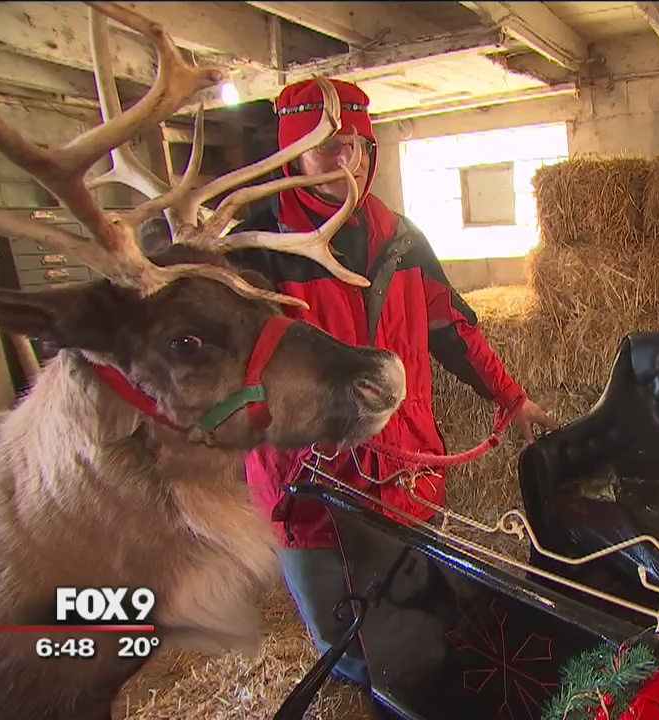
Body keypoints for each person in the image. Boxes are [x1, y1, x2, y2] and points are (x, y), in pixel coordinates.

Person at [226, 78, 557, 688]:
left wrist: (511, 397)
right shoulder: (253, 255)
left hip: (408, 479)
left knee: (423, 625)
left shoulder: (401, 240)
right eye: (328, 146)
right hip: (313, 491)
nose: (346, 161)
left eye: (357, 145)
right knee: (345, 645)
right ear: (291, 152)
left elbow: (454, 329)